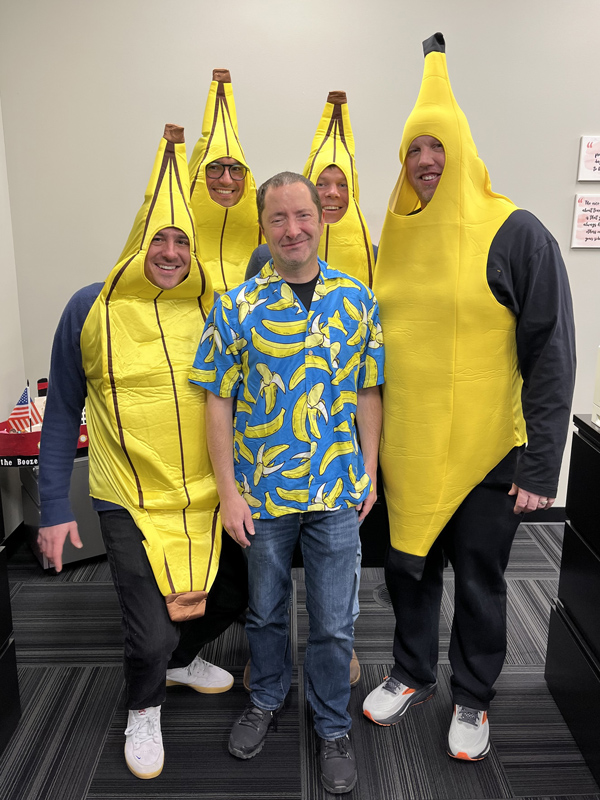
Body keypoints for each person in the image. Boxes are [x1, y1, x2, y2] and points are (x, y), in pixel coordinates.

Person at [363, 33, 576, 762]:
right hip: (408, 448)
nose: (425, 161)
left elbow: (551, 353)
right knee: (408, 567)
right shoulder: (396, 234)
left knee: (481, 580)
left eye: (438, 146)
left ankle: (475, 697)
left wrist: (541, 467)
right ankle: (412, 670)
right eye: (414, 149)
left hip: (489, 450)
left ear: (463, 148)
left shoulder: (517, 233)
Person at [37, 125, 248, 780]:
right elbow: (64, 407)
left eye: (182, 240)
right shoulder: (88, 308)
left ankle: (179, 659)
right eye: (158, 237)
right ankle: (144, 703)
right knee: (148, 628)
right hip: (126, 494)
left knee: (235, 595)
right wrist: (51, 506)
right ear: (137, 239)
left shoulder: (218, 305)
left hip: (208, 493)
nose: (170, 251)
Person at [190, 172, 384, 794]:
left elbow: (368, 391)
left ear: (322, 217)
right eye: (279, 219)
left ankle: (331, 725)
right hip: (262, 493)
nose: (293, 229)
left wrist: (371, 470)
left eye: (303, 215)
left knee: (333, 621)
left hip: (335, 491)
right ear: (264, 226)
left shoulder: (356, 300)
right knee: (265, 613)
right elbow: (216, 401)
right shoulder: (236, 307)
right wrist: (227, 491)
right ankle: (266, 698)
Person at [246, 91, 376, 287]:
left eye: (343, 185)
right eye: (321, 184)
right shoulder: (265, 255)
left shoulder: (373, 255)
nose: (333, 193)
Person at [189, 68, 263, 294]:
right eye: (214, 168)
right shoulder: (170, 240)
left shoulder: (269, 241)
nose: (227, 179)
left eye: (236, 169)